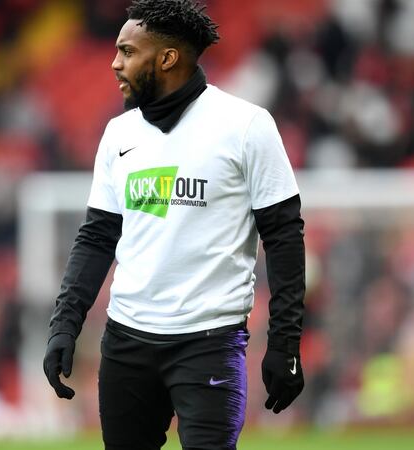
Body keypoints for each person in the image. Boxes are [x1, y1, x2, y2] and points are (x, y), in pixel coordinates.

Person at [43, 1, 306, 448]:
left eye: (127, 51)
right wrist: (64, 324)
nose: (115, 63)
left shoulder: (245, 126)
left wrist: (285, 343)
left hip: (209, 342)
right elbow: (97, 237)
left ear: (167, 59)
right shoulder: (118, 134)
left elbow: (282, 235)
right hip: (126, 343)